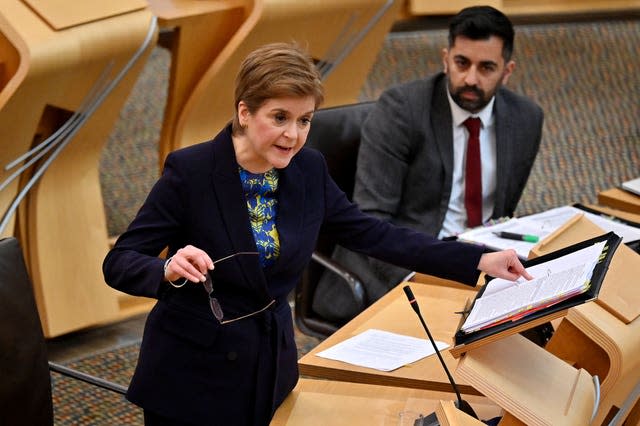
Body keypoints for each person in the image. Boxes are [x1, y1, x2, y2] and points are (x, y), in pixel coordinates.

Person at [103, 42, 533, 426]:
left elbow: (372, 234)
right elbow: (119, 262)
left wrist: (476, 259)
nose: (293, 135)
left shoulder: (307, 169)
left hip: (268, 370)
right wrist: (168, 269)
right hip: (191, 381)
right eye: (280, 118)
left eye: (305, 120)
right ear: (244, 112)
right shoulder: (190, 172)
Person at [313, 5, 544, 324]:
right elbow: (372, 222)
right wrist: (440, 275)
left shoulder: (526, 118)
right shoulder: (401, 111)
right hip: (403, 266)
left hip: (482, 260)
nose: (470, 79)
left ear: (507, 71)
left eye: (486, 68)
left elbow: (500, 214)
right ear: (445, 58)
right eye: (462, 63)